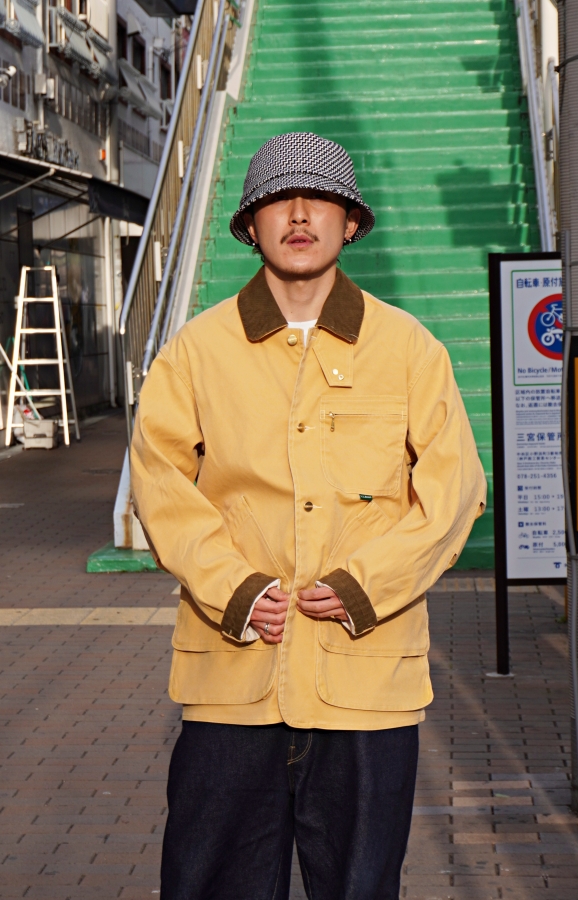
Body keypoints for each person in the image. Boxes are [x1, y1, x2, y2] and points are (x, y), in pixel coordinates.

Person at [131, 132, 487, 900]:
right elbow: (160, 484)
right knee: (210, 883)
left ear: (350, 222)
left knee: (361, 886)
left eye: (319, 200)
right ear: (249, 225)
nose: (298, 215)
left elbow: (455, 489)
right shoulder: (196, 352)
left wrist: (365, 585)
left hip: (368, 685)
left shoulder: (408, 349)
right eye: (276, 201)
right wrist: (235, 589)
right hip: (233, 679)